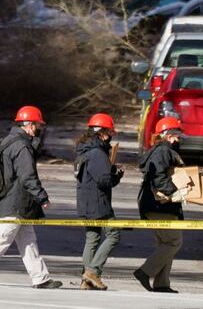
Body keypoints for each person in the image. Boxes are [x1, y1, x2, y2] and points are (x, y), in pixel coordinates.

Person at [0, 106, 62, 289]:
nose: (38, 129)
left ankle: (40, 278)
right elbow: (27, 175)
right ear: (28, 124)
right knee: (1, 237)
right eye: (36, 125)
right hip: (16, 201)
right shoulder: (21, 146)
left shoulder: (9, 141)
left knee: (28, 239)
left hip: (11, 200)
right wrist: (42, 197)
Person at [133, 117, 185, 294]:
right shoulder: (162, 151)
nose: (179, 140)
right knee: (173, 242)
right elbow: (159, 178)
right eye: (177, 135)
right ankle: (145, 272)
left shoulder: (160, 151)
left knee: (165, 243)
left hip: (157, 206)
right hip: (159, 206)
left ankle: (162, 283)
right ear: (169, 135)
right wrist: (177, 191)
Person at [75, 113, 123, 291]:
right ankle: (93, 271)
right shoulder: (97, 153)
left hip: (86, 201)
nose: (110, 136)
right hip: (98, 203)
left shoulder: (85, 150)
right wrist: (116, 176)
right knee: (114, 235)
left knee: (92, 238)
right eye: (109, 132)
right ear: (102, 133)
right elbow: (104, 180)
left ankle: (86, 280)